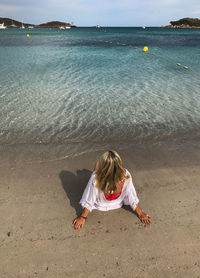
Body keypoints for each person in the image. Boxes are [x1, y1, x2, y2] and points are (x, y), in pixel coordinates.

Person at [73, 150, 152, 230]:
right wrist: (141, 213)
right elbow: (131, 195)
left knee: (97, 165)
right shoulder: (126, 174)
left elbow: (90, 199)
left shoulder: (96, 178)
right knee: (97, 168)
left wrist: (83, 217)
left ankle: (100, 167)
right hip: (118, 203)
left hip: (100, 205)